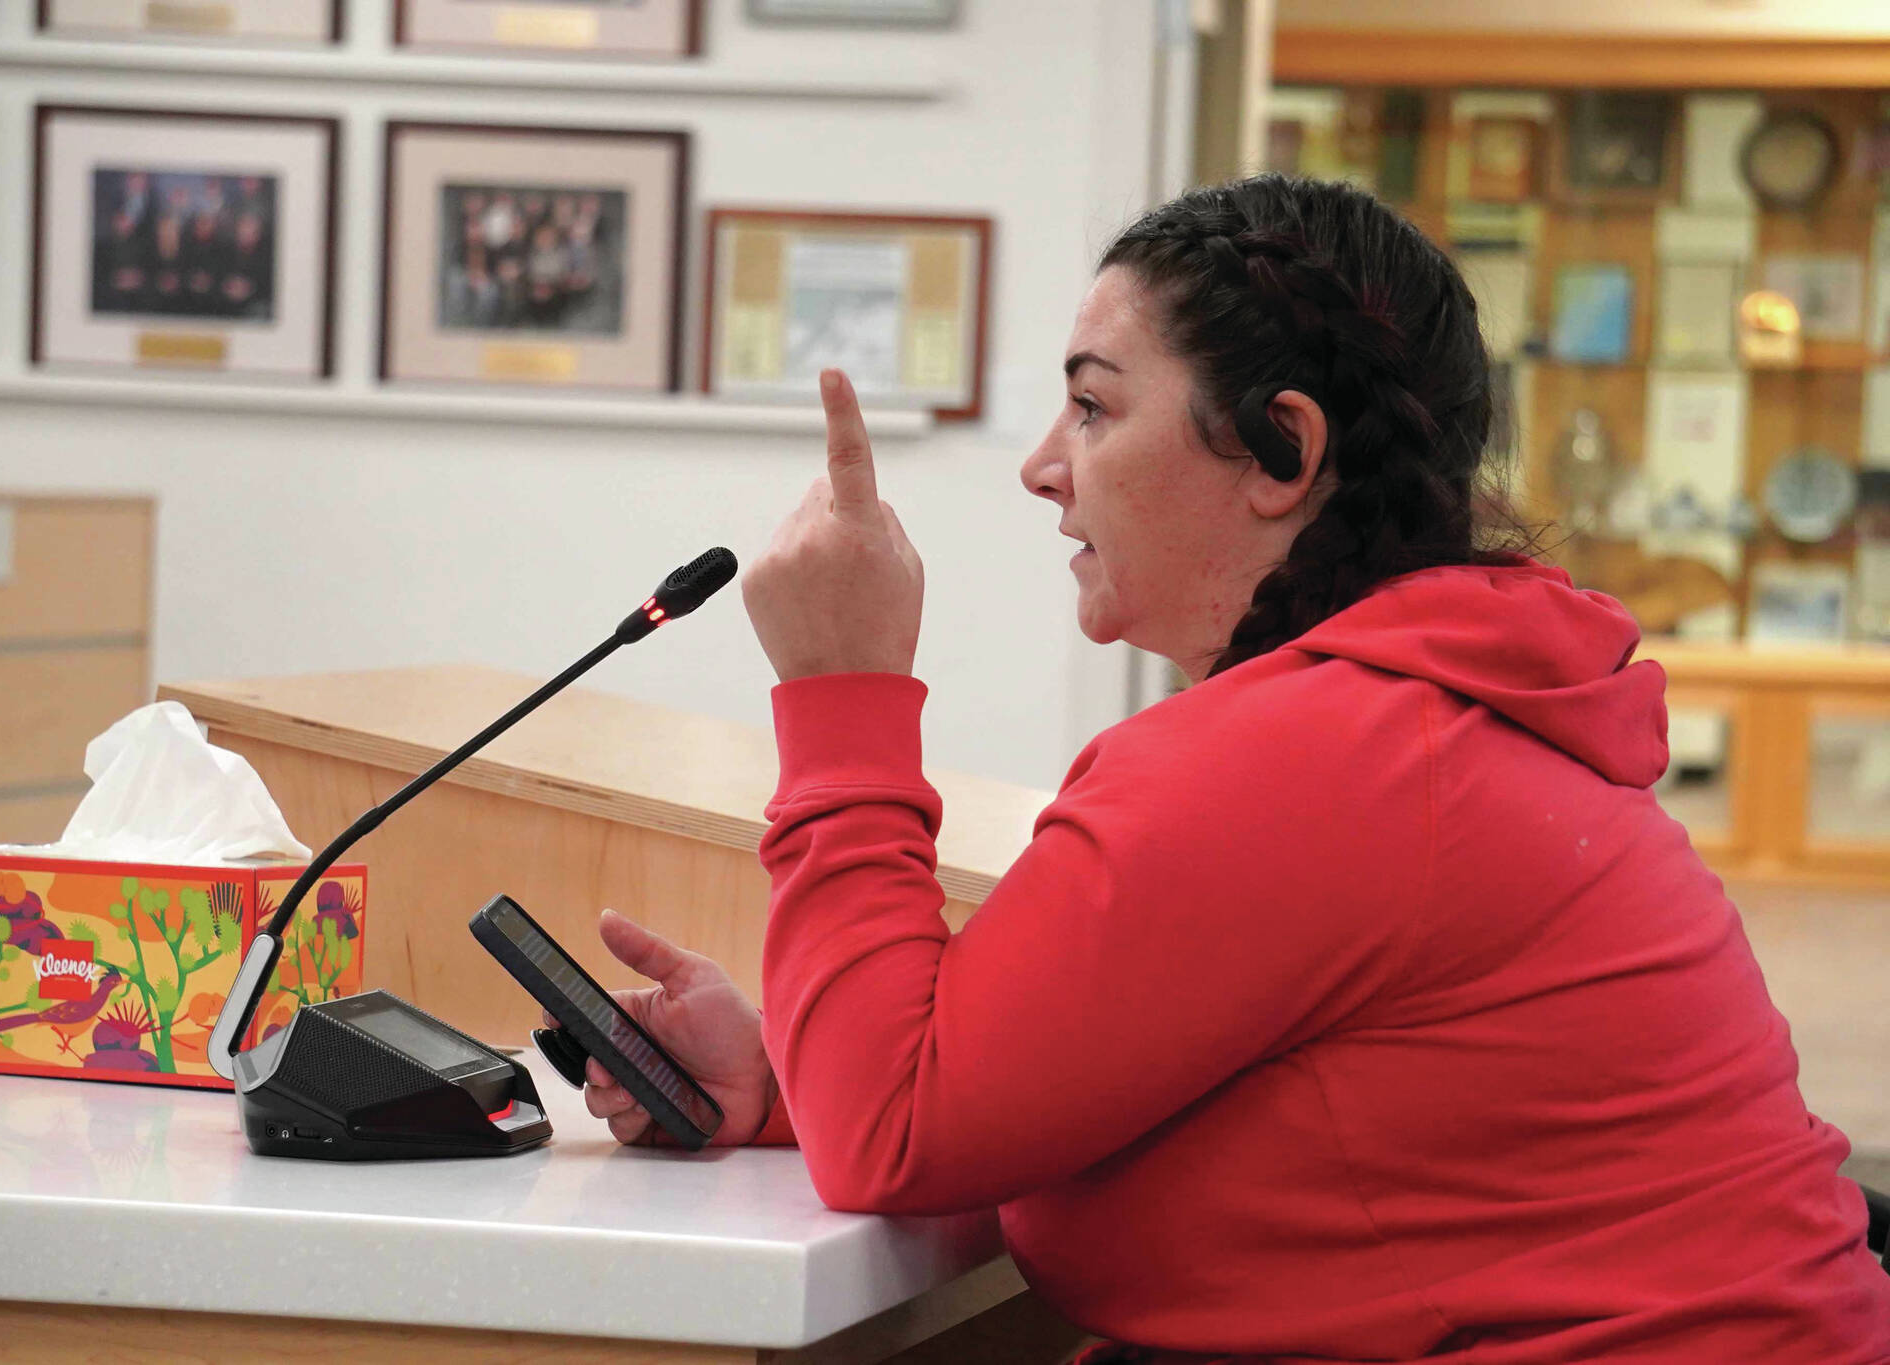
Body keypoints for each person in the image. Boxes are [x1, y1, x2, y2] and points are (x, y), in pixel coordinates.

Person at [551, 176, 1890, 1362]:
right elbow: (1060, 1091)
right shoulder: (1394, 723)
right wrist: (790, 1081)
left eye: (1090, 406)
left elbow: (894, 1130)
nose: (1041, 468)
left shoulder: (1325, 757)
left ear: (1281, 450)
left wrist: (842, 691)